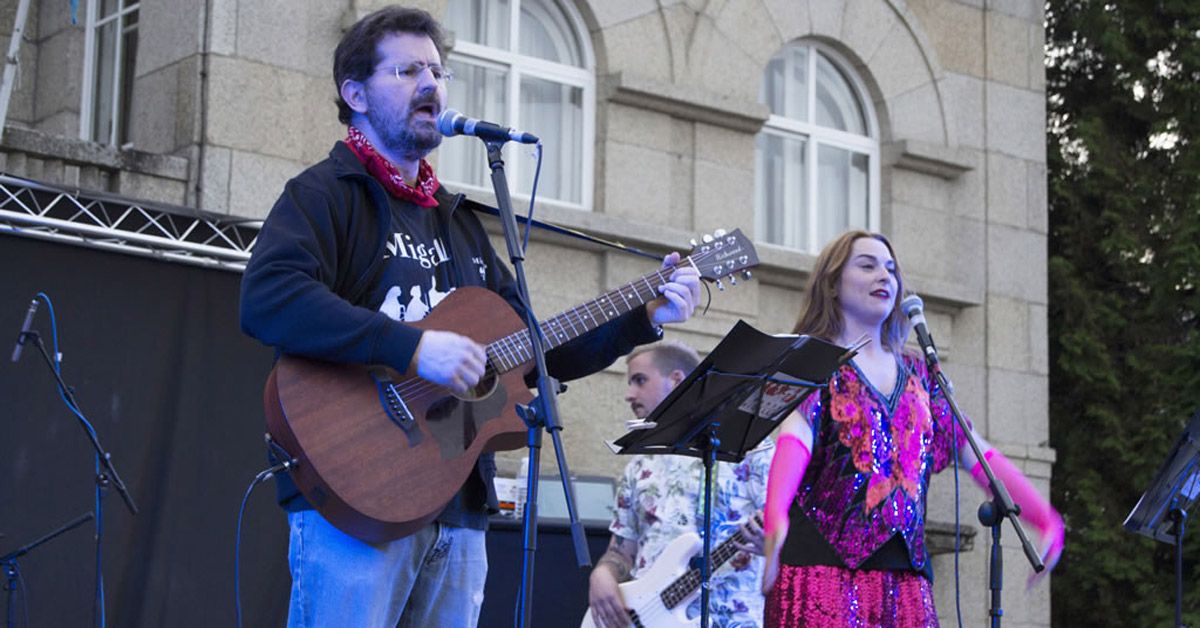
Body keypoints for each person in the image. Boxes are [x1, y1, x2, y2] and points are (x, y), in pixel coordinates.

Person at [238, 7, 701, 627]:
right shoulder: (324, 195)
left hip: (457, 504)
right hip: (355, 499)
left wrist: (642, 315)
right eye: (407, 70)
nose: (431, 84)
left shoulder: (457, 222)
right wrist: (410, 349)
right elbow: (268, 296)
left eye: (438, 70)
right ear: (355, 94)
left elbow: (536, 349)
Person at [758, 231, 1064, 626]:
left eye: (890, 269)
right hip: (821, 575)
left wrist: (1044, 518)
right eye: (866, 265)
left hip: (905, 585)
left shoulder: (920, 374)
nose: (883, 276)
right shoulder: (811, 361)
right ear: (832, 284)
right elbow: (793, 438)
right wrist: (774, 516)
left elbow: (977, 453)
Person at [588, 341, 772, 627]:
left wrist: (772, 544)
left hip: (734, 619)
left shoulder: (753, 451)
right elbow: (622, 551)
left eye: (640, 380)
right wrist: (602, 574)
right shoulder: (640, 464)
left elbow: (789, 533)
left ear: (676, 381)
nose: (629, 394)